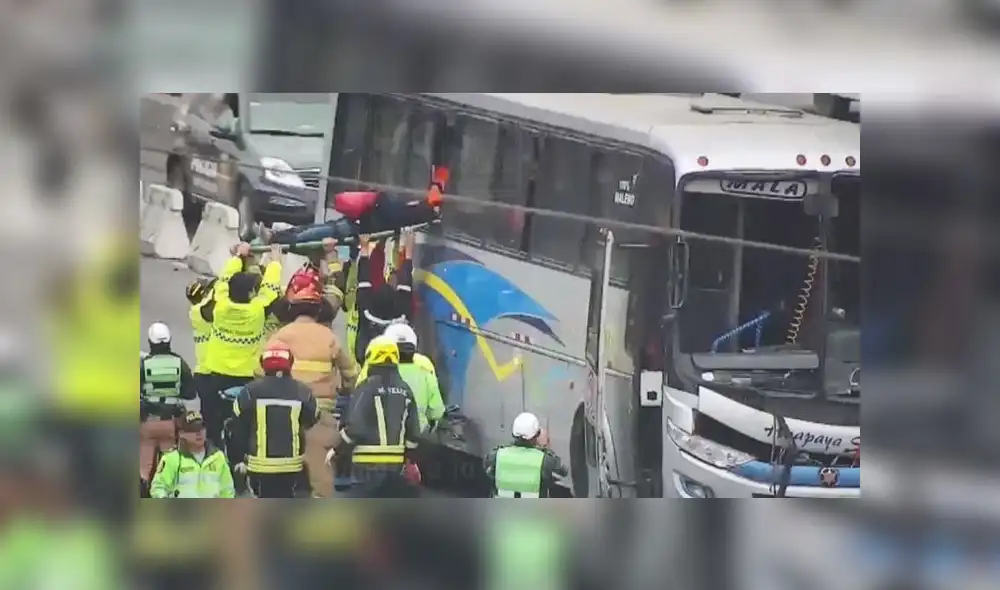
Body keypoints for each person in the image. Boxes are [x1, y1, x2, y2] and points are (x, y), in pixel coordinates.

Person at [265, 269, 357, 498]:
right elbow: (352, 374)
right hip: (321, 413)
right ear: (318, 308)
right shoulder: (329, 338)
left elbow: (260, 372)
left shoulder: (280, 336)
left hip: (285, 412)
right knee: (321, 468)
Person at [200, 242, 283, 448]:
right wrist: (275, 262)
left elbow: (224, 279)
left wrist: (238, 256)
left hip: (217, 373)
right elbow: (270, 290)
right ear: (248, 294)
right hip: (246, 376)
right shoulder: (256, 311)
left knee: (213, 423)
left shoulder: (220, 306)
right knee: (246, 423)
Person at [326, 336, 421, 498]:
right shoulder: (405, 389)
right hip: (395, 468)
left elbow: (355, 428)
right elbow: (413, 434)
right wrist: (409, 459)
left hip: (366, 468)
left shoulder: (366, 388)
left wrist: (337, 450)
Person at [227, 341, 319, 498]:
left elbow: (236, 427)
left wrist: (236, 460)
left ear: (263, 364)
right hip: (293, 467)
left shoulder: (249, 392)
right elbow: (312, 419)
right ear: (289, 363)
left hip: (258, 468)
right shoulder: (303, 392)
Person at [358, 321, 444, 433]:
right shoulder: (425, 365)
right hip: (418, 438)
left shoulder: (375, 364)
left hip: (380, 437)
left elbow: (358, 400)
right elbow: (436, 412)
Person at [140, 322, 197, 485]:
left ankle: (143, 484)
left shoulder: (144, 364)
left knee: (144, 461)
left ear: (151, 342)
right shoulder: (179, 363)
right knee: (169, 460)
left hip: (149, 421)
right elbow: (191, 393)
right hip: (172, 422)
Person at [351, 231, 416, 366]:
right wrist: (409, 252)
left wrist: (364, 248)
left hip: (369, 359)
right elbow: (405, 283)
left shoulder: (367, 313)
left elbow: (364, 280)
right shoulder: (401, 315)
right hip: (392, 361)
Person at [149, 410, 236, 498]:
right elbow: (158, 488)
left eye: (201, 428)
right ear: (181, 434)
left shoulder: (218, 457)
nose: (198, 433)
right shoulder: (171, 459)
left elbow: (228, 490)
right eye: (193, 430)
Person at [484, 412, 568, 498]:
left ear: (513, 434)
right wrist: (545, 447)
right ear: (537, 434)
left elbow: (486, 466)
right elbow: (564, 471)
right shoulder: (544, 459)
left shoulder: (497, 454)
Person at [186, 276, 216, 400]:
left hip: (204, 374)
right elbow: (214, 298)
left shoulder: (197, 311)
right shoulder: (200, 311)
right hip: (209, 374)